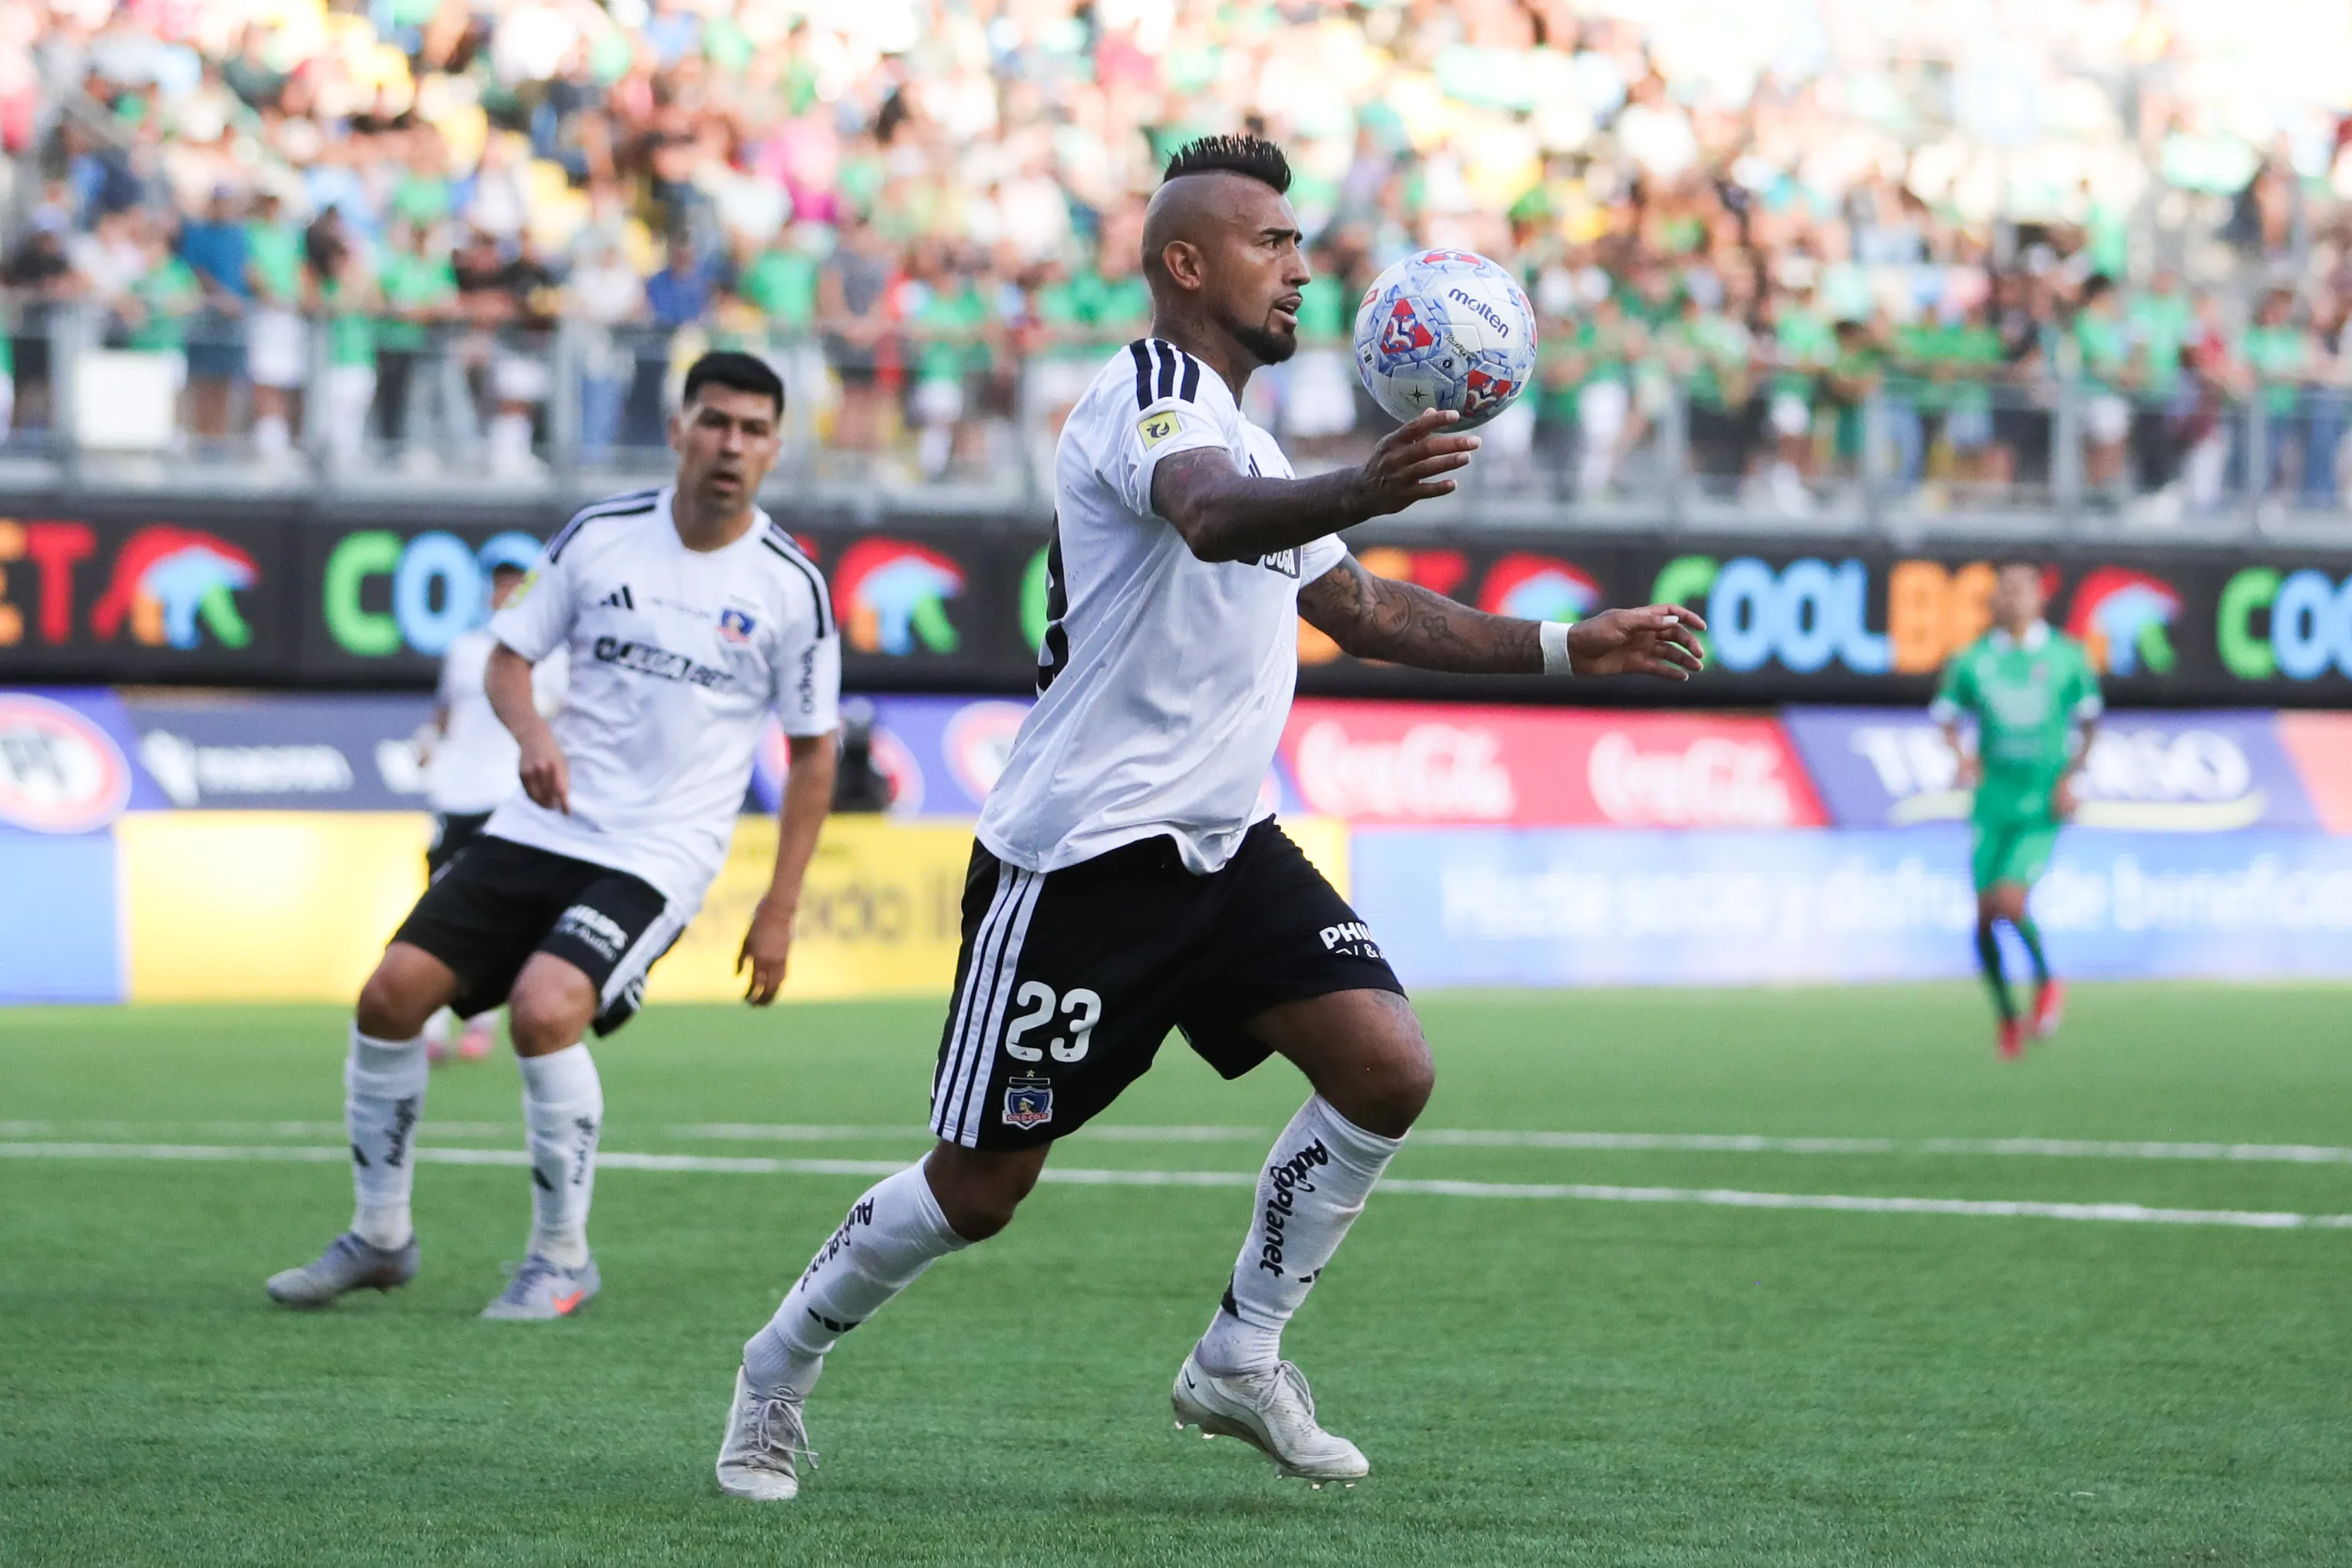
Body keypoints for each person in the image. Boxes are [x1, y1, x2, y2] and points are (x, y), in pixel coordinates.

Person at [711, 136, 1706, 1502]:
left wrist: (1565, 648)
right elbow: (1210, 517)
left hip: (1226, 845)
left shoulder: (1253, 436)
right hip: (1079, 860)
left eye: (1299, 242)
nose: (1299, 265)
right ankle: (774, 1370)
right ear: (1186, 265)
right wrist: (1359, 484)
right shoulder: (1149, 393)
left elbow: (1359, 610)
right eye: (1268, 242)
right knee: (978, 1187)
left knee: (1385, 1067)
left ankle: (1240, 1350)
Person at [266, 351, 842, 1318]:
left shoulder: (790, 585)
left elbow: (814, 754)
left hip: (661, 850)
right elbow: (507, 662)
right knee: (389, 995)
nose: (729, 444)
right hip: (541, 824)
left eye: (750, 429)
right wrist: (531, 736)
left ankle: (561, 1257)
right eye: (713, 421)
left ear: (774, 449)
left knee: (544, 1008)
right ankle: (379, 1236)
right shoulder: (600, 535)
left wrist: (779, 908)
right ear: (677, 430)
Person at [1931, 561, 2102, 1059]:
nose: (2009, 598)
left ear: (2039, 599)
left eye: (2019, 590)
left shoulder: (2068, 657)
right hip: (1992, 804)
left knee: (2010, 902)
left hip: (2040, 803)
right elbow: (1946, 718)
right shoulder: (1971, 659)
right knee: (1983, 920)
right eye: (2002, 591)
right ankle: (2007, 1015)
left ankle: (2048, 980)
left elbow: (2090, 723)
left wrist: (2071, 776)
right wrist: (1963, 758)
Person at [411, 560, 571, 1064]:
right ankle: (432, 1022)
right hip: (455, 793)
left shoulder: (550, 657)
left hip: (509, 796)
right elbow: (446, 709)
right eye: (499, 588)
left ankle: (480, 1019)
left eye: (514, 589)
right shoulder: (464, 651)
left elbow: (557, 717)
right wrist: (431, 739)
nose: (505, 597)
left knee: (498, 912)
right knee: (438, 905)